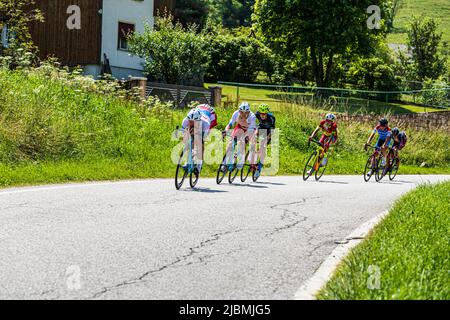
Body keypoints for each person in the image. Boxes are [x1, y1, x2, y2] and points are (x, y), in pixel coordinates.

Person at [222, 101, 257, 170]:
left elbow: (250, 131)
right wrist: (225, 131)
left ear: (248, 112)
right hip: (239, 127)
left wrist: (245, 138)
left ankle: (241, 160)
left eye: (245, 113)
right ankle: (225, 163)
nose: (243, 114)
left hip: (249, 130)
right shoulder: (236, 113)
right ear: (239, 111)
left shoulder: (252, 117)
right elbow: (230, 124)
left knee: (242, 143)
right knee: (230, 143)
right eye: (241, 112)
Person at [180, 108, 211, 173]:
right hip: (197, 124)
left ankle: (199, 166)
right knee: (188, 141)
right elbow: (182, 133)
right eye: (190, 121)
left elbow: (204, 138)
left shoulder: (206, 124)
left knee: (200, 144)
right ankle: (188, 161)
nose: (191, 122)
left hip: (202, 128)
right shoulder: (185, 120)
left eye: (193, 122)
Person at [252, 103, 276, 176]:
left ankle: (259, 167)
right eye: (261, 114)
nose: (262, 115)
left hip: (268, 131)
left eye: (264, 114)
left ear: (267, 113)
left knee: (262, 147)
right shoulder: (256, 114)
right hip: (261, 127)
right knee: (255, 135)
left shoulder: (271, 118)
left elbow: (272, 131)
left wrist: (267, 139)